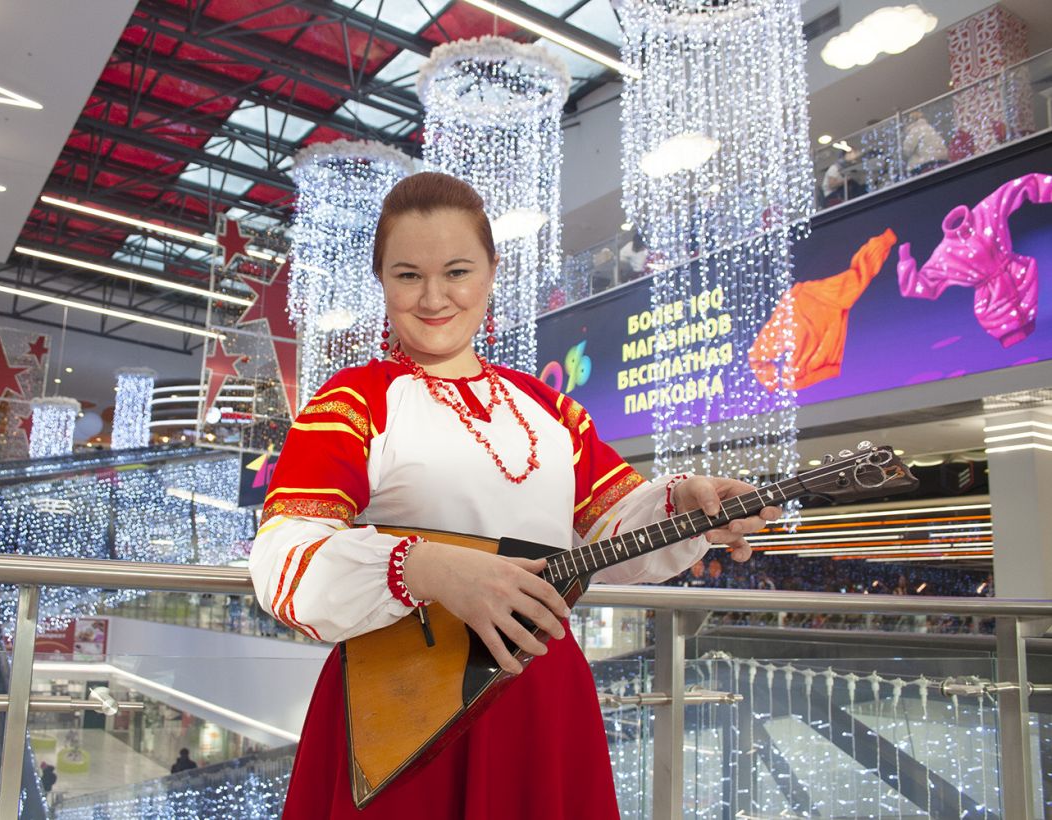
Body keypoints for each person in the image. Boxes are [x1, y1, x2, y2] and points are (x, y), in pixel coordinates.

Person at [248, 172, 779, 819]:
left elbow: (614, 529)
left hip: (539, 692)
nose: (434, 297)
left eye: (457, 271)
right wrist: (425, 567)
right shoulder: (352, 402)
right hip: (403, 704)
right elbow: (284, 557)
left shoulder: (549, 408)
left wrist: (683, 506)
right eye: (408, 275)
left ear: (491, 272)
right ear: (381, 280)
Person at [902, 111, 949, 176]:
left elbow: (907, 150)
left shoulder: (915, 130)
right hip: (942, 161)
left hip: (926, 164)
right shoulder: (930, 128)